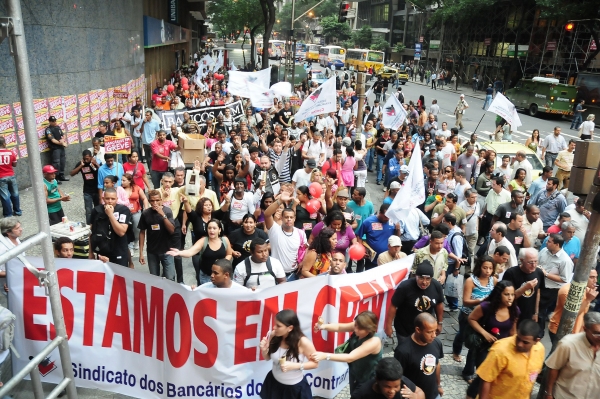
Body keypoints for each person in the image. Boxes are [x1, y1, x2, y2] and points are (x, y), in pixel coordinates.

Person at [464, 280, 521, 399]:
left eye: (512, 294)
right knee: (484, 375)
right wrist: (484, 333)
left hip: (502, 350)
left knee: (497, 377)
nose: (510, 298)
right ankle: (471, 395)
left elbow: (512, 332)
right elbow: (471, 319)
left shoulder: (514, 310)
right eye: (506, 294)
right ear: (499, 294)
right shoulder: (486, 307)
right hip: (484, 347)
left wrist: (514, 350)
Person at [312, 311, 383, 393]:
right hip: (355, 372)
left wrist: (324, 356)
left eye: (359, 328)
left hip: (368, 378)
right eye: (355, 325)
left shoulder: (373, 342)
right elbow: (339, 327)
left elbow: (350, 357)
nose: (355, 329)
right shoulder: (359, 325)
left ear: (369, 330)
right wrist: (322, 326)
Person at [475, 320, 544, 399]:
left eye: (525, 342)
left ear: (536, 341)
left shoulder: (540, 350)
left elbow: (531, 378)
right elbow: (486, 379)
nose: (519, 344)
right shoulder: (500, 350)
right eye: (518, 338)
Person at [452, 256, 497, 377]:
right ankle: (456, 351)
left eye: (490, 268)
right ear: (479, 267)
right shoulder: (471, 281)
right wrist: (481, 300)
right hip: (468, 315)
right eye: (485, 268)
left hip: (483, 317)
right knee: (462, 335)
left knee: (475, 344)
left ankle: (470, 371)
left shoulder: (494, 280)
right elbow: (466, 301)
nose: (487, 271)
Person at [259, 309, 317, 399]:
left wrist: (294, 366)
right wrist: (264, 350)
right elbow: (267, 358)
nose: (274, 328)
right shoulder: (274, 335)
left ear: (290, 328)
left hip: (293, 388)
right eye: (275, 324)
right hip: (274, 382)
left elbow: (315, 364)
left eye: (278, 326)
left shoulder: (303, 342)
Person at [544, 311, 600, 399]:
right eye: (597, 333)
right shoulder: (569, 344)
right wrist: (549, 393)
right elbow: (554, 368)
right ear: (585, 329)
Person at [386, 262, 444, 343]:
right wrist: (388, 326)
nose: (424, 282)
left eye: (428, 279)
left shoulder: (436, 286)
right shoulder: (405, 287)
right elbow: (393, 305)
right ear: (415, 276)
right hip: (405, 329)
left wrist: (440, 323)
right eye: (421, 278)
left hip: (426, 330)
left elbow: (439, 304)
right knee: (405, 352)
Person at [394, 313, 444, 399]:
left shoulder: (436, 343)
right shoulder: (403, 351)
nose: (434, 335)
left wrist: (438, 385)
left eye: (435, 331)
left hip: (434, 395)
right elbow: (397, 377)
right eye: (429, 332)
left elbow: (436, 364)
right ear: (418, 329)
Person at [548, 270, 598, 346]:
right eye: (592, 277)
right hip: (560, 328)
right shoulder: (567, 291)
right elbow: (571, 315)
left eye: (596, 277)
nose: (595, 281)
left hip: (575, 330)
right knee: (557, 353)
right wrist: (588, 300)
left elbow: (583, 313)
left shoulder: (587, 290)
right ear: (583, 277)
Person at [88, 188, 132, 267]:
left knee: (119, 277)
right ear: (103, 198)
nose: (110, 201)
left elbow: (121, 232)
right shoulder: (96, 211)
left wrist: (110, 215)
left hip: (119, 251)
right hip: (102, 250)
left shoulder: (123, 210)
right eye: (107, 198)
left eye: (113, 199)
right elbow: (90, 232)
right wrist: (90, 252)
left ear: (117, 199)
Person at [264, 192, 304, 276]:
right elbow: (267, 214)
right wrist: (280, 201)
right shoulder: (274, 230)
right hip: (275, 274)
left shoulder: (301, 233)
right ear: (281, 218)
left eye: (291, 217)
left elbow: (304, 249)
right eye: (286, 217)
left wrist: (302, 262)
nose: (289, 219)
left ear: (294, 219)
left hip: (293, 275)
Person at [502, 248, 544, 322]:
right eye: (530, 262)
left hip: (529, 315)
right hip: (512, 313)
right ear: (521, 260)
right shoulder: (511, 273)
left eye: (536, 261)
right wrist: (524, 288)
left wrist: (536, 313)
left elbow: (538, 292)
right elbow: (506, 297)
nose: (534, 265)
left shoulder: (539, 272)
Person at [350, 357, 425, 399]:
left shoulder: (402, 382)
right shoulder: (361, 394)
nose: (392, 391)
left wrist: (415, 396)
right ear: (377, 380)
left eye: (396, 386)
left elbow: (420, 392)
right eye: (387, 386)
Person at [356, 203, 400, 270]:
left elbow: (396, 238)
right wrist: (361, 250)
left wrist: (398, 229)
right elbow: (359, 236)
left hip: (388, 259)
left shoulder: (393, 221)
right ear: (380, 212)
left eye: (389, 216)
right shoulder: (368, 222)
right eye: (385, 216)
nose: (388, 218)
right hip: (372, 260)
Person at [70, 150, 99, 225]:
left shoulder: (95, 162)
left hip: (97, 190)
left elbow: (102, 171)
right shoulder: (81, 164)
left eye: (88, 158)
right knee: (88, 210)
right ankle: (89, 225)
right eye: (84, 159)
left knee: (98, 209)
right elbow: (72, 173)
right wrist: (81, 166)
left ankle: (98, 224)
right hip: (87, 191)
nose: (86, 160)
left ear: (91, 157)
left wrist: (96, 164)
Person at [0, 217, 24, 293]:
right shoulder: (2, 248)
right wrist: (14, 272)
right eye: (17, 228)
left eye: (20, 226)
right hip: (7, 283)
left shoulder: (16, 238)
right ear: (8, 232)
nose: (21, 229)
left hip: (18, 279)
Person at [0, 136, 21, 217]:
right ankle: (17, 211)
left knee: (5, 196)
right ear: (4, 143)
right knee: (15, 194)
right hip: (11, 175)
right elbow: (14, 164)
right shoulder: (11, 152)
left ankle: (8, 214)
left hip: (1, 177)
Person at [45, 116, 69, 182]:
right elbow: (52, 140)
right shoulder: (48, 130)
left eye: (55, 121)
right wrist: (61, 143)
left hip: (61, 148)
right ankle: (56, 178)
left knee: (62, 162)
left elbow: (63, 135)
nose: (55, 122)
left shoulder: (58, 127)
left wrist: (63, 140)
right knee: (56, 163)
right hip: (55, 149)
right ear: (50, 122)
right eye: (53, 121)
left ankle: (61, 175)